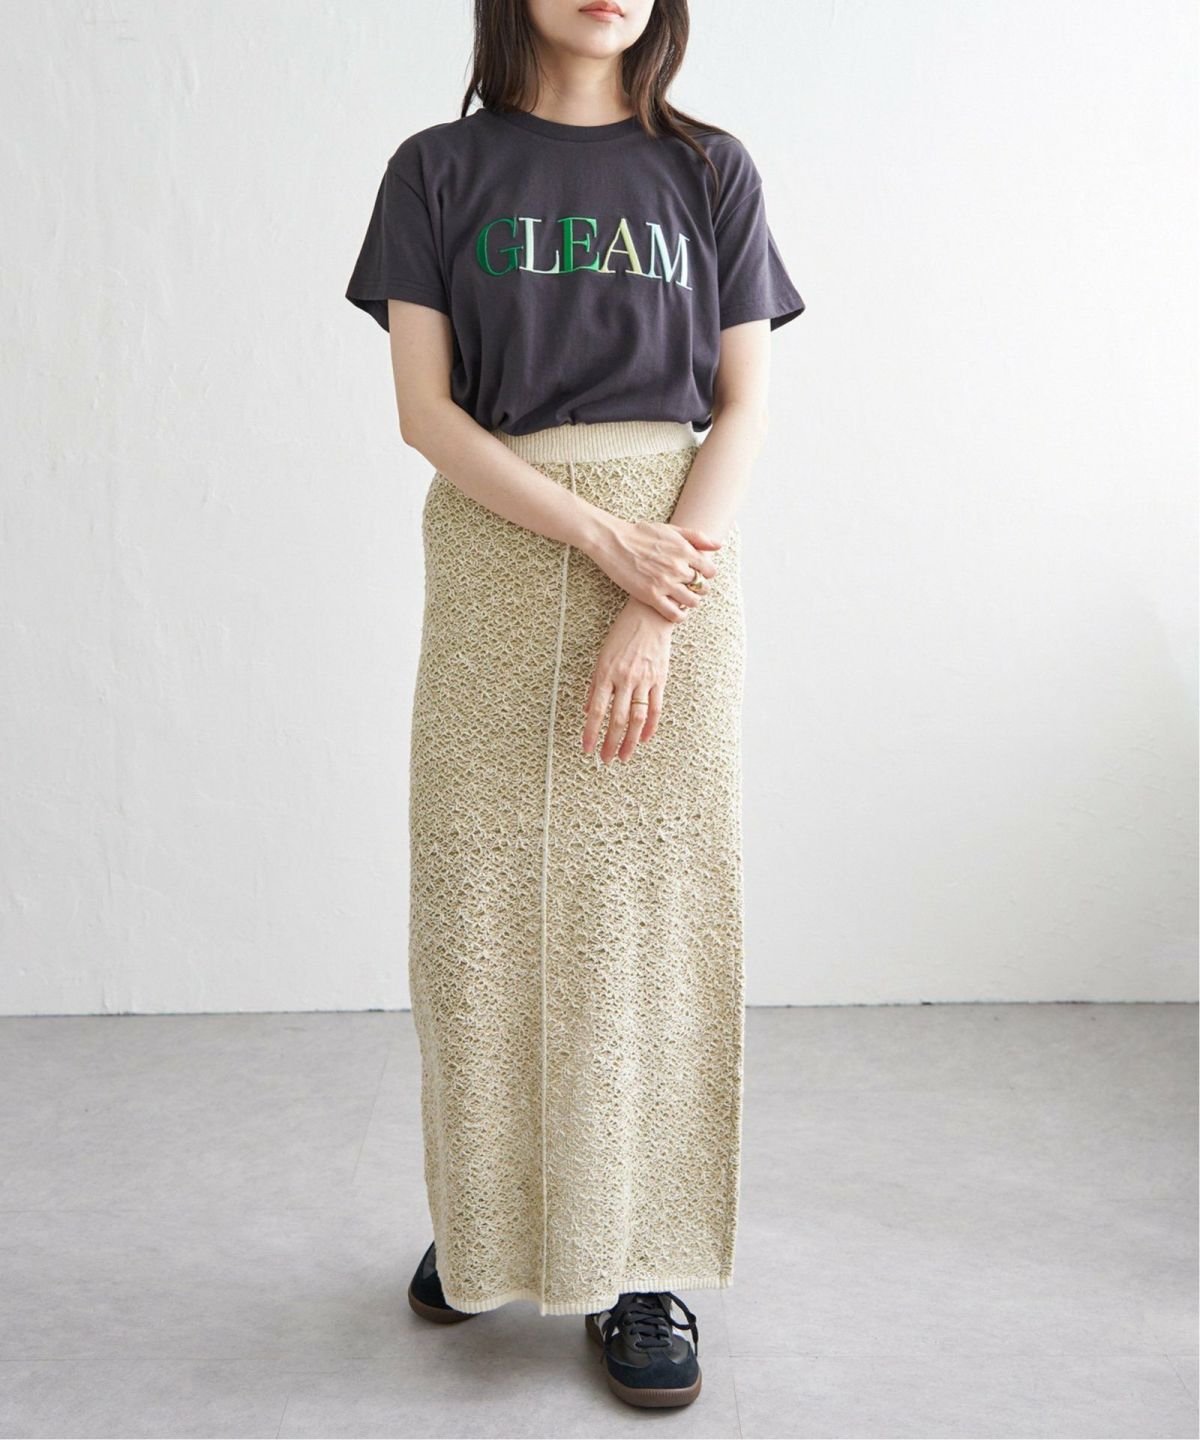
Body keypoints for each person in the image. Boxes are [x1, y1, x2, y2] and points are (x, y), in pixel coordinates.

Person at [345, 0, 804, 1410]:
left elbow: (743, 407)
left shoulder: (710, 169)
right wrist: (598, 542)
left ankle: (640, 1260)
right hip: (502, 546)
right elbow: (426, 414)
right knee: (478, 905)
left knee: (647, 913)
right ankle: (492, 1223)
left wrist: (652, 595)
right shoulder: (437, 169)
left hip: (676, 555)